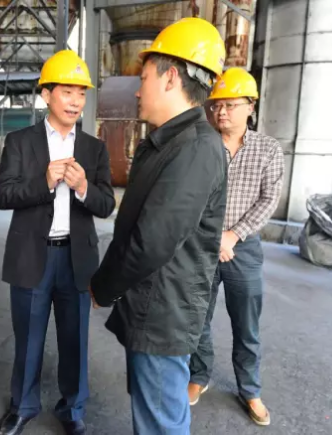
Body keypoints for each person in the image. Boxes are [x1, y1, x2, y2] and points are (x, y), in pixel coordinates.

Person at [90, 17, 228, 435]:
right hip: (150, 303)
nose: (137, 89)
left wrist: (103, 286)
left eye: (144, 78)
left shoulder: (197, 148)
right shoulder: (166, 143)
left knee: (160, 423)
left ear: (171, 78)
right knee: (154, 414)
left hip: (163, 312)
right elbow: (131, 226)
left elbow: (152, 241)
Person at [0, 49, 115, 435]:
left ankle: (72, 408)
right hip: (32, 255)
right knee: (28, 339)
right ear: (46, 94)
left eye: (81, 93)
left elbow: (106, 204)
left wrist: (83, 187)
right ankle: (22, 406)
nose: (76, 101)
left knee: (75, 340)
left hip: (76, 259)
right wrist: (44, 182)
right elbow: (2, 195)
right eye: (67, 91)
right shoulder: (20, 142)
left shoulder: (94, 148)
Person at [188, 67, 284, 426]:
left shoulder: (268, 149)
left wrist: (233, 235)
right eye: (216, 105)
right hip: (203, 244)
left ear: (250, 107)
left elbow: (269, 199)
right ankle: (199, 375)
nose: (221, 112)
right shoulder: (201, 145)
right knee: (198, 316)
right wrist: (214, 237)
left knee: (247, 324)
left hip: (243, 248)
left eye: (230, 105)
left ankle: (250, 389)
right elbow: (189, 195)